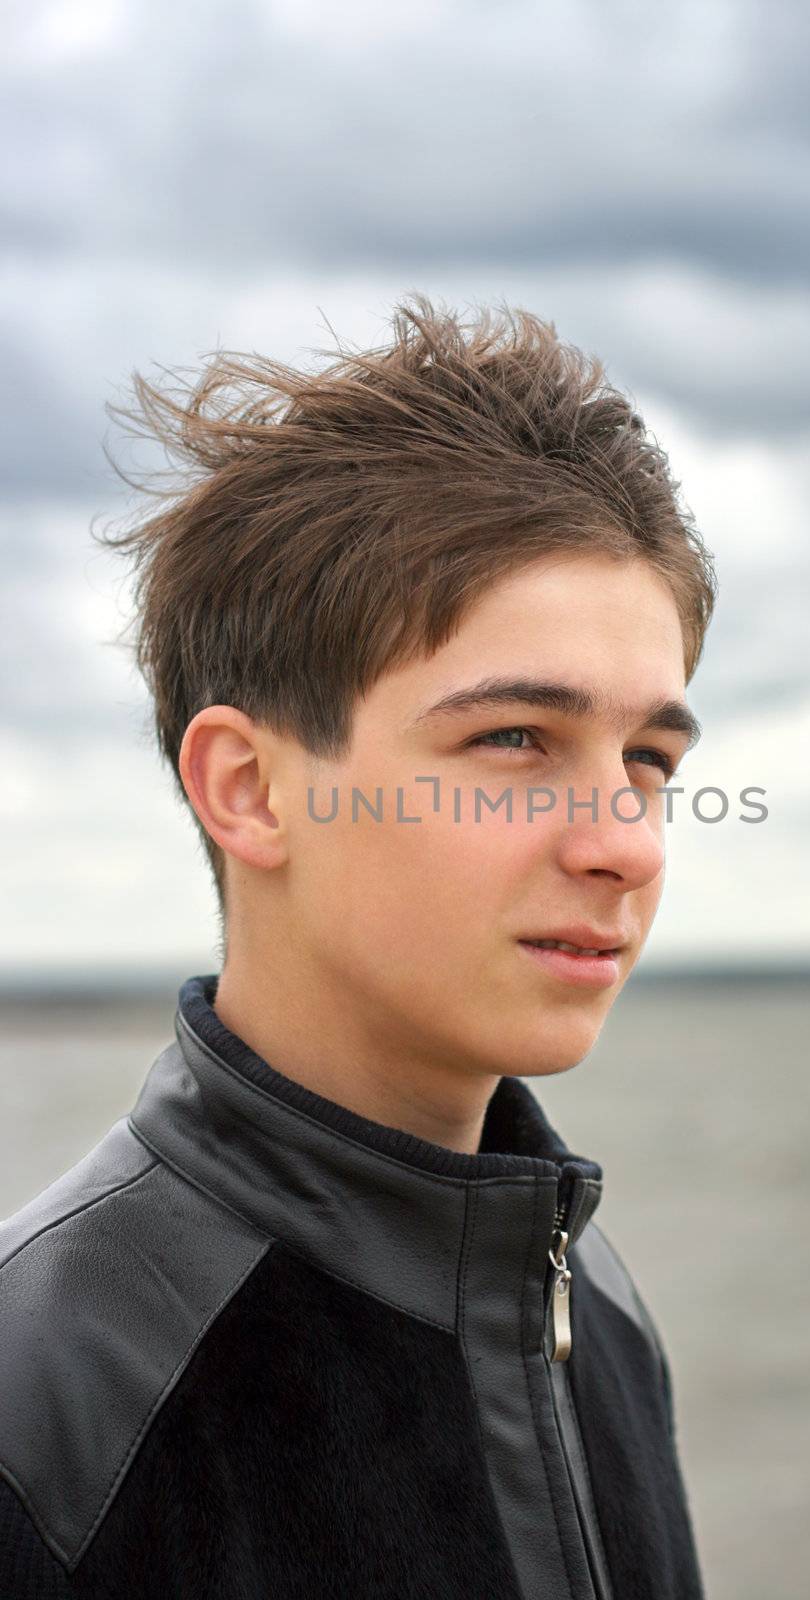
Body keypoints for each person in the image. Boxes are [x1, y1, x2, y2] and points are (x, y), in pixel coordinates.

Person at [0, 297, 716, 1598]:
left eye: (650, 760)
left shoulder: (591, 1305)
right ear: (252, 788)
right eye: (514, 741)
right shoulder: (41, 1404)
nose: (629, 842)